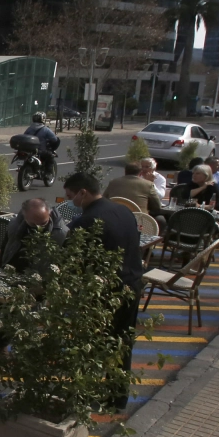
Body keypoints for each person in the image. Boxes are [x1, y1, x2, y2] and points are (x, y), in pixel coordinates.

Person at [63, 172, 143, 409]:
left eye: (70, 196)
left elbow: (71, 259)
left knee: (93, 343)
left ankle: (85, 391)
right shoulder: (124, 211)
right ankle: (118, 396)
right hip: (131, 285)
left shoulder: (86, 222)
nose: (70, 202)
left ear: (82, 193)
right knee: (122, 341)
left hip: (103, 291)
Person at [0, 198, 67, 274]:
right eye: (33, 224)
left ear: (49, 214)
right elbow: (5, 247)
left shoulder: (60, 234)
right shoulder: (15, 225)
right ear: (25, 217)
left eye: (43, 224)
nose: (38, 228)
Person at [104, 162, 167, 233]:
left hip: (115, 217)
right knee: (161, 220)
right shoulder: (148, 184)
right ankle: (150, 241)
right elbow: (157, 207)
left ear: (125, 171)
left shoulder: (113, 182)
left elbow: (104, 199)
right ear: (140, 172)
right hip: (138, 221)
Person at [23, 112, 60, 176]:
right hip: (40, 151)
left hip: (29, 150)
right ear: (43, 119)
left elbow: (24, 136)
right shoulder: (45, 129)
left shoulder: (29, 128)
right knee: (50, 156)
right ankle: (48, 173)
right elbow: (55, 139)